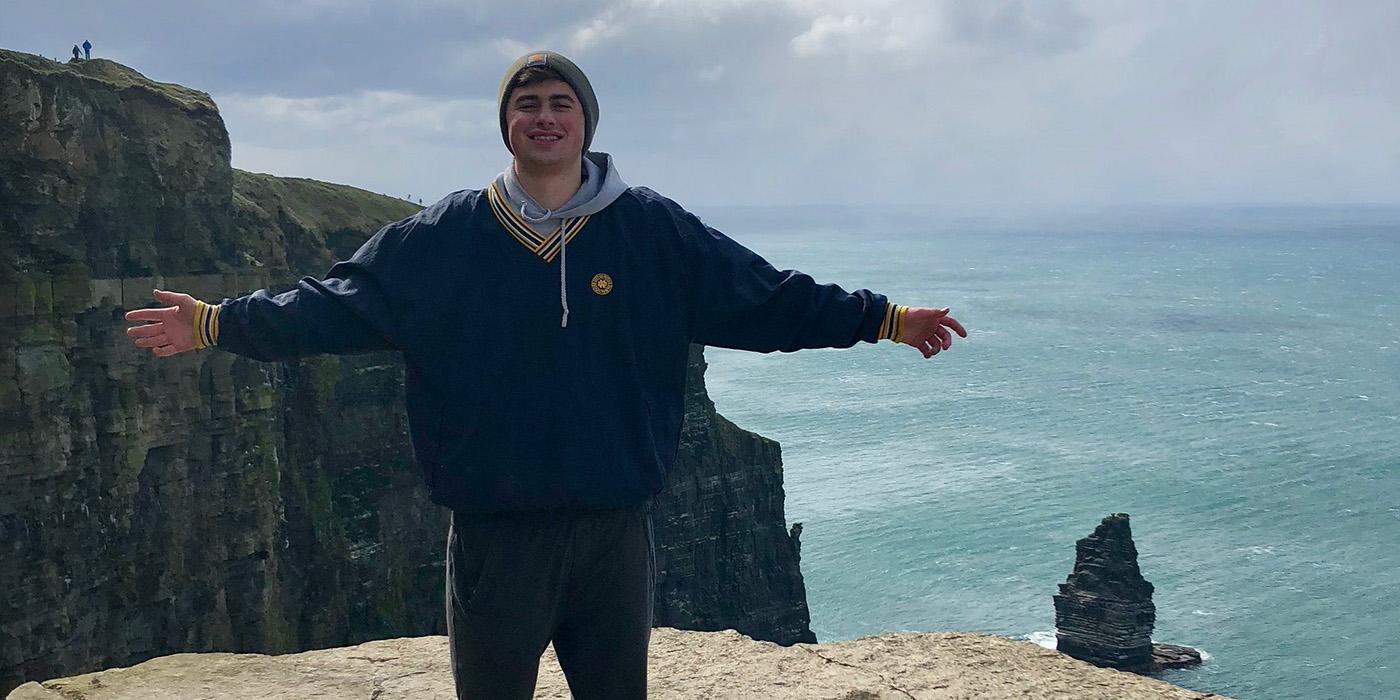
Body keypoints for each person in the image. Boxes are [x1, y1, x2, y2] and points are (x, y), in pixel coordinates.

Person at [124, 50, 965, 699]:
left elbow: (765, 298)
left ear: (586, 123)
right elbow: (332, 305)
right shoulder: (443, 237)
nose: (545, 116)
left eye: (562, 103)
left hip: (615, 530)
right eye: (527, 104)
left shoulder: (650, 230)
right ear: (507, 125)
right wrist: (215, 323)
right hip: (498, 533)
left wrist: (883, 319)